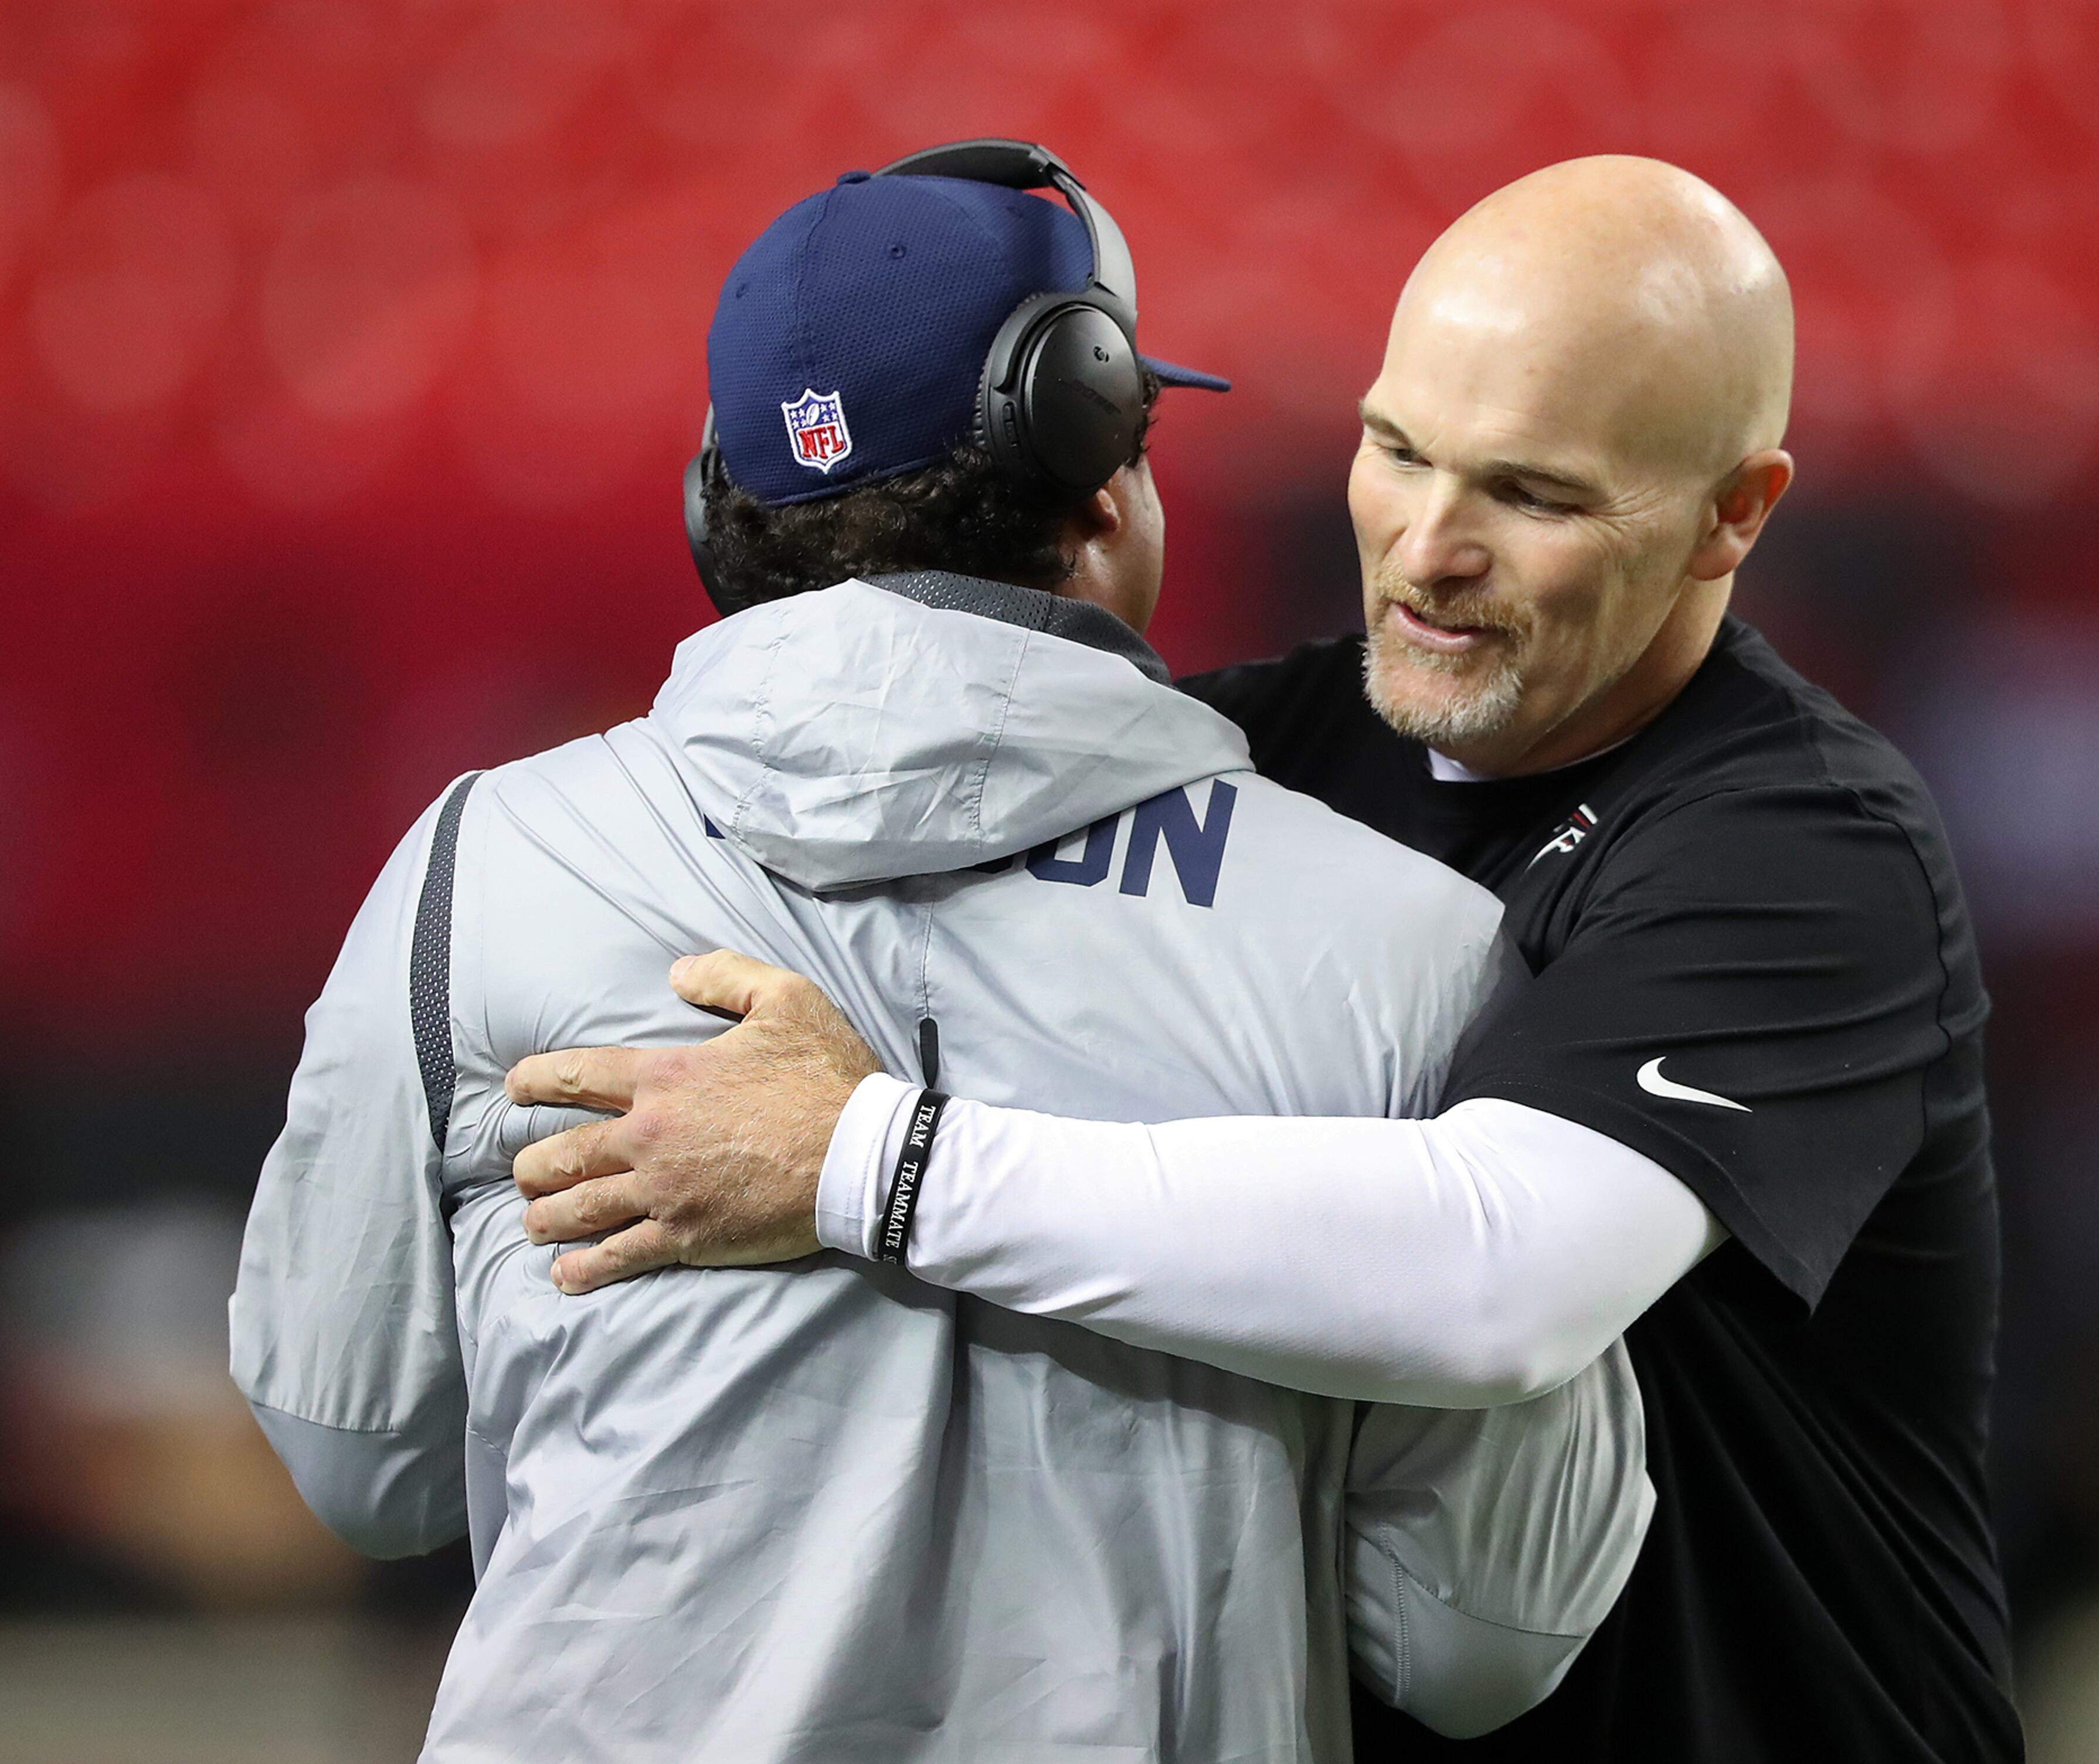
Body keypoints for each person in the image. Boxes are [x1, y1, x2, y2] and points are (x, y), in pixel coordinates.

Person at [508, 156, 2021, 1762]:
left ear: (1736, 512)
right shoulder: (1229, 771)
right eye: (1395, 448)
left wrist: (868, 1155)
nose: (1428, 547)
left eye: (1533, 495)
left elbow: (1501, 1276)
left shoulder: (1805, 846)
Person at [230, 146, 1653, 1762]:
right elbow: (1485, 1633)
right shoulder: (1405, 945)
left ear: (721, 506)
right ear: (1102, 474)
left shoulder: (480, 864)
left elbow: (358, 1460)